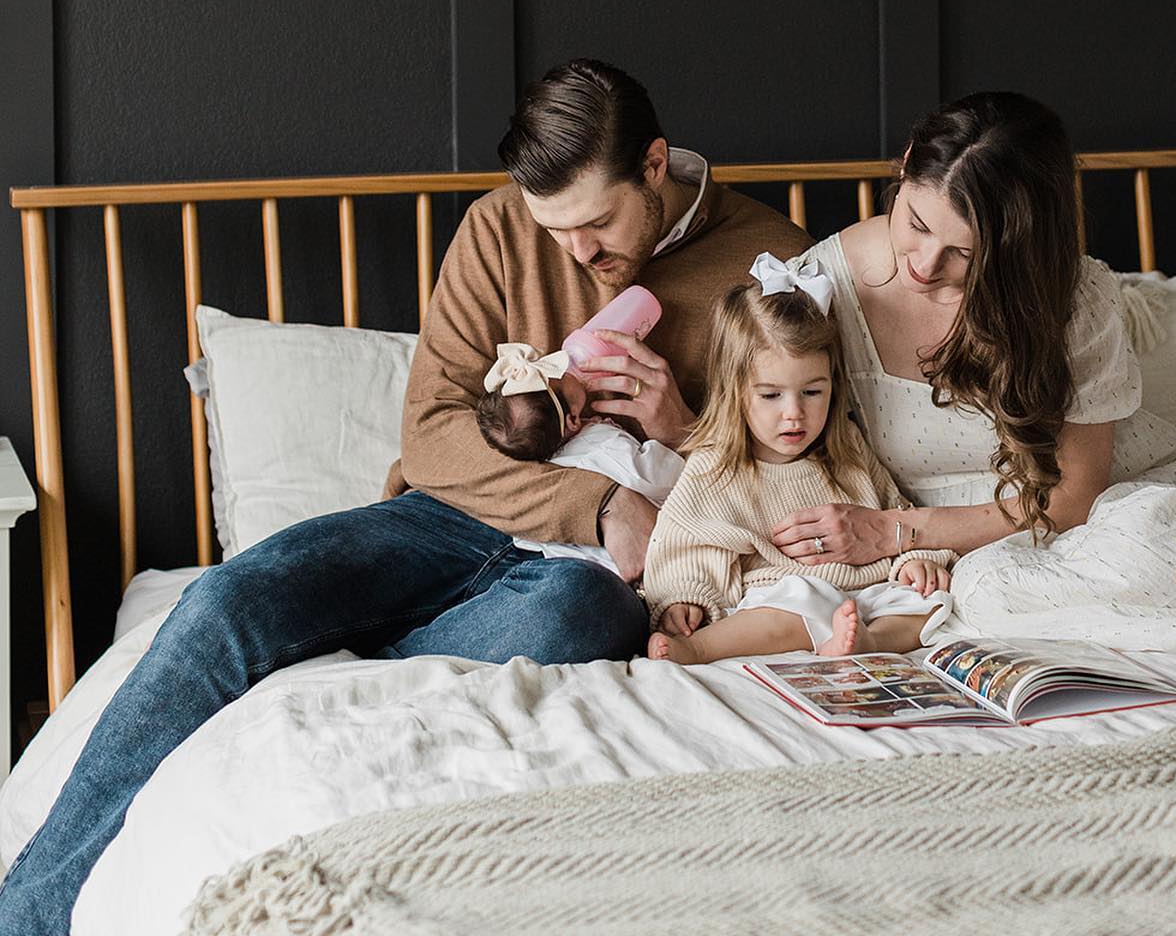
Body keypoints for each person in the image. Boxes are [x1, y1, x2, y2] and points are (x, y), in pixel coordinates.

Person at [0, 58, 806, 935]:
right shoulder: (500, 229)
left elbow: (800, 473)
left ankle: (351, 657)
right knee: (226, 601)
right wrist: (600, 505)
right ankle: (25, 916)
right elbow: (430, 433)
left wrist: (681, 425)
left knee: (581, 611)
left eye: (596, 222)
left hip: (579, 575)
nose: (578, 253)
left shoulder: (776, 267)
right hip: (447, 523)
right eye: (554, 228)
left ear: (655, 167)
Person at [770, 90, 1176, 660]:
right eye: (914, 223)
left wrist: (896, 531)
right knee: (989, 589)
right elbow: (762, 419)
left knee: (1146, 539)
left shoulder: (1073, 299)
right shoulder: (825, 283)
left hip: (1088, 513)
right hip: (961, 552)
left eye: (963, 254)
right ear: (907, 164)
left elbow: (1071, 502)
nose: (923, 263)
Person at [645, 253, 956, 664]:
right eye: (771, 395)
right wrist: (686, 599)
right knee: (800, 601)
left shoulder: (846, 450)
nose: (794, 413)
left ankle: (871, 643)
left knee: (933, 604)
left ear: (833, 383)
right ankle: (697, 649)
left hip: (864, 592)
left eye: (812, 392)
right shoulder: (717, 467)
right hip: (784, 596)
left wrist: (917, 561)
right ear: (735, 391)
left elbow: (894, 513)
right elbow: (687, 543)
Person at [474, 340, 683, 576]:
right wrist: (666, 445)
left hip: (567, 567)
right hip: (636, 558)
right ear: (572, 419)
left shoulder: (547, 468)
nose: (567, 369)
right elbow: (665, 479)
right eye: (559, 374)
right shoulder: (605, 445)